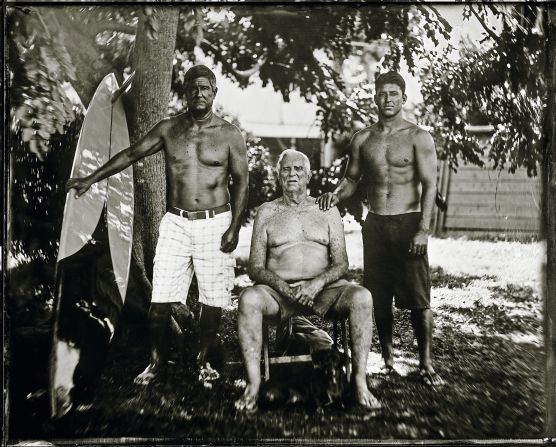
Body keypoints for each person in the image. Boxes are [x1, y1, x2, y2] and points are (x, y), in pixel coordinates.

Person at [65, 65, 249, 384]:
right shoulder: (169, 129)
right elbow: (131, 154)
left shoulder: (229, 134)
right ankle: (157, 362)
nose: (199, 93)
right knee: (160, 299)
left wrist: (233, 227)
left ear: (215, 92)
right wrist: (90, 179)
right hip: (175, 223)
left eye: (205, 88)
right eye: (193, 88)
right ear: (186, 92)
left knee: (214, 300)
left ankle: (203, 360)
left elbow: (243, 181)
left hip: (215, 223)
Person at [317, 71, 444, 387]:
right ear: (374, 98)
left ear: (403, 97)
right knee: (378, 296)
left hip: (409, 221)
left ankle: (426, 363)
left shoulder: (419, 137)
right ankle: (387, 361)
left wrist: (424, 230)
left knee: (418, 298)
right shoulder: (363, 138)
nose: (387, 99)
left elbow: (430, 185)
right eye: (381, 94)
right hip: (375, 224)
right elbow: (351, 179)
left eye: (393, 93)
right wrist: (336, 193)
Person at [235, 149, 380, 413]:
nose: (292, 174)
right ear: (278, 175)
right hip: (279, 292)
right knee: (248, 298)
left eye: (298, 169)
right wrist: (285, 288)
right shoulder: (267, 212)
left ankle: (359, 382)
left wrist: (315, 285)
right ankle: (254, 385)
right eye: (287, 169)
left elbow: (341, 263)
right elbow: (255, 267)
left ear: (309, 175)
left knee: (362, 297)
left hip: (324, 290)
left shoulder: (326, 210)